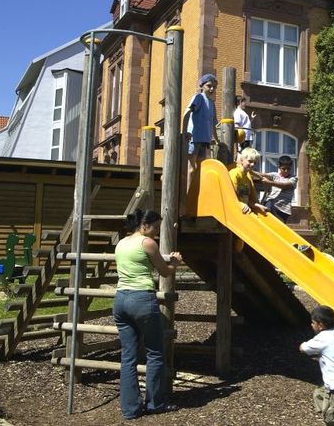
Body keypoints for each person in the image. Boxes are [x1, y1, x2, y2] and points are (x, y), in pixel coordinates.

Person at [113, 209, 182, 420]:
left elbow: (145, 261)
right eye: (155, 227)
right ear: (145, 225)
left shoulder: (121, 243)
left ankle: (130, 409)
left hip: (120, 300)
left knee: (128, 356)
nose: (156, 231)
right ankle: (155, 403)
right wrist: (176, 262)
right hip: (142, 299)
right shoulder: (147, 243)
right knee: (155, 352)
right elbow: (164, 270)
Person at [299, 306, 334, 426]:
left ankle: (332, 418)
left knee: (331, 415)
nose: (311, 325)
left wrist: (301, 345)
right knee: (318, 394)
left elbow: (304, 348)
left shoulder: (321, 339)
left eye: (313, 322)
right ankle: (328, 409)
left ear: (320, 325)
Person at [185, 74, 219, 195]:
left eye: (214, 87)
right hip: (195, 137)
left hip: (205, 140)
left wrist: (217, 140)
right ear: (202, 86)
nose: (211, 89)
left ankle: (194, 194)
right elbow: (188, 112)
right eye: (209, 86)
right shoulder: (198, 98)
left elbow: (214, 124)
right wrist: (186, 131)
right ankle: (186, 195)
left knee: (200, 168)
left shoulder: (212, 103)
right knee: (191, 167)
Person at [256, 155, 297, 224]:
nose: (286, 171)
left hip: (283, 210)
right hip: (271, 205)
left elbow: (285, 185)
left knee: (279, 227)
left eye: (288, 169)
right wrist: (248, 170)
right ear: (279, 167)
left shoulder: (293, 178)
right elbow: (261, 174)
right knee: (268, 202)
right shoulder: (274, 175)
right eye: (283, 169)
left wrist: (269, 182)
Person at [229, 146, 268, 215]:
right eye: (250, 161)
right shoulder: (234, 173)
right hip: (234, 211)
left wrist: (257, 205)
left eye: (255, 163)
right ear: (241, 160)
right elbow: (230, 195)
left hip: (244, 212)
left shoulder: (247, 178)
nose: (252, 164)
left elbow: (245, 199)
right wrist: (240, 204)